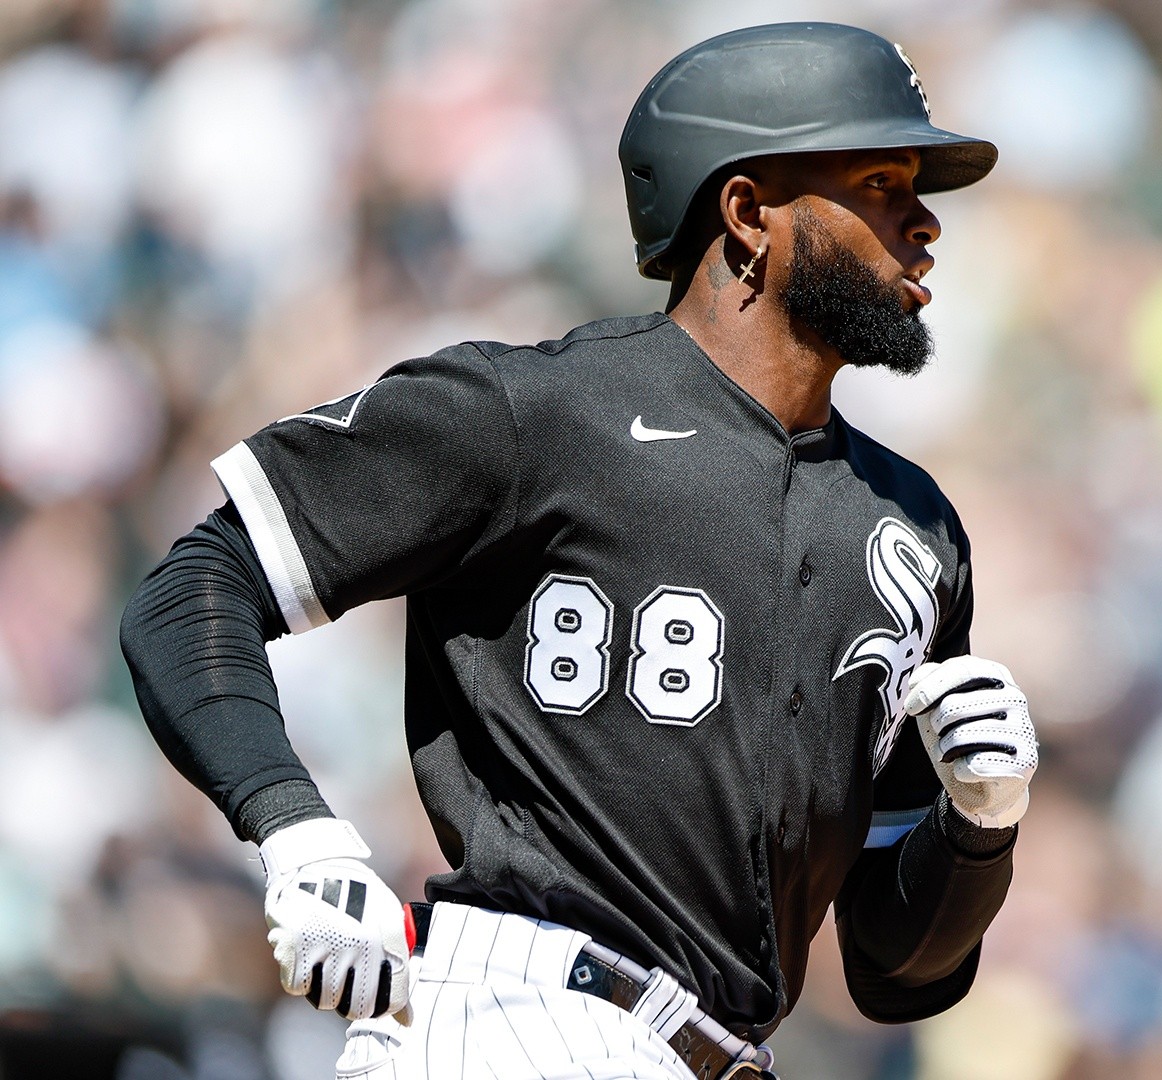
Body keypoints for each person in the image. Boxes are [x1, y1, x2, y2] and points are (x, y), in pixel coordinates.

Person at [119, 23, 1037, 1080]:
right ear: (747, 214)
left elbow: (895, 970)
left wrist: (977, 828)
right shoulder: (540, 412)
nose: (923, 223)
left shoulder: (914, 528)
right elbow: (196, 585)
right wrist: (295, 829)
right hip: (516, 1019)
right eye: (880, 180)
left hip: (718, 1054)